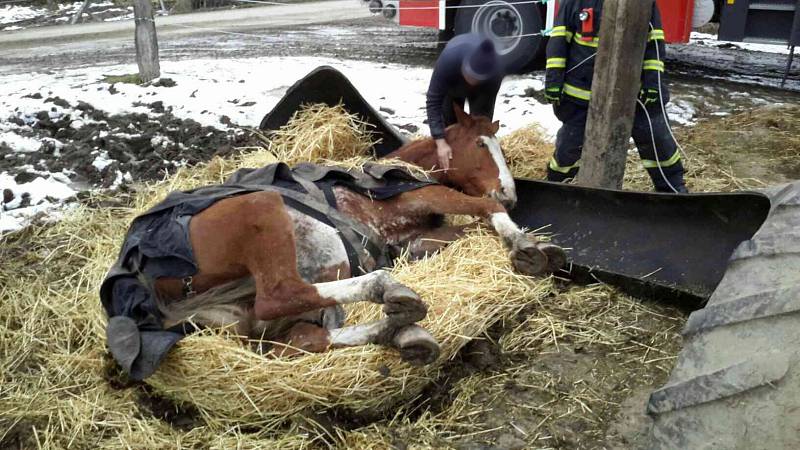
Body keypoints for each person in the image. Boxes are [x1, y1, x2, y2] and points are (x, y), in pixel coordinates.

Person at [544, 0, 688, 193]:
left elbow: (654, 43)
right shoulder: (575, 1)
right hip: (581, 97)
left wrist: (652, 83)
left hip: (635, 97)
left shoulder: (644, 4)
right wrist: (554, 80)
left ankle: (673, 189)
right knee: (569, 148)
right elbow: (558, 42)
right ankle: (555, 189)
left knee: (657, 141)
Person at [427, 33, 504, 170]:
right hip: (453, 86)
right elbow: (433, 100)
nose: (471, 80)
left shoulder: (495, 72)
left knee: (479, 133)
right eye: (469, 74)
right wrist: (440, 141)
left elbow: (483, 119)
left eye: (476, 77)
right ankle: (451, 164)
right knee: (450, 126)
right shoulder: (449, 60)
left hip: (482, 90)